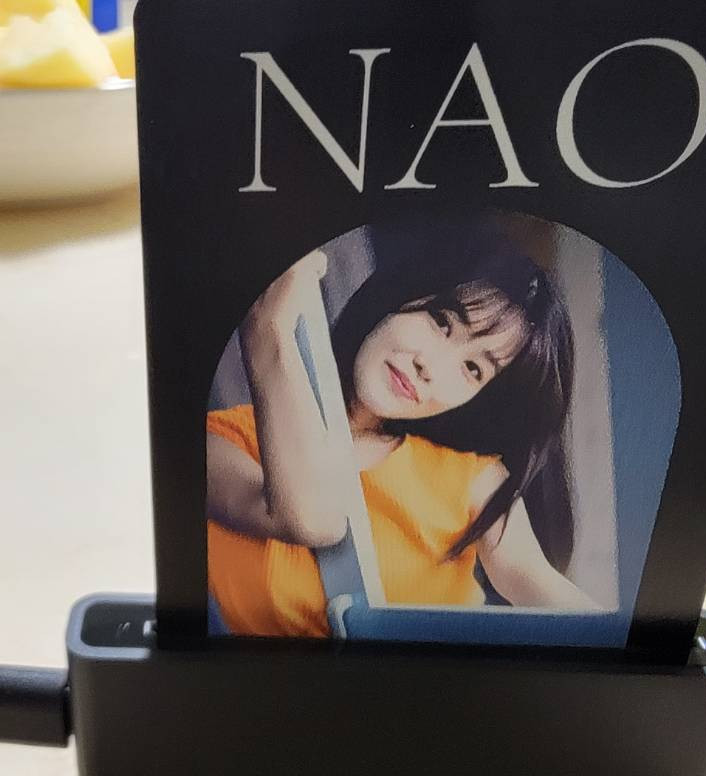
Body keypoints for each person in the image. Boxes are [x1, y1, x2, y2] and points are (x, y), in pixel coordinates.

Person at [206, 214, 596, 638]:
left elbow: (539, 585)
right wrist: (269, 333)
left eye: (472, 369)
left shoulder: (472, 482)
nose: (430, 366)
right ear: (401, 293)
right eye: (441, 321)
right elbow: (311, 516)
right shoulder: (221, 441)